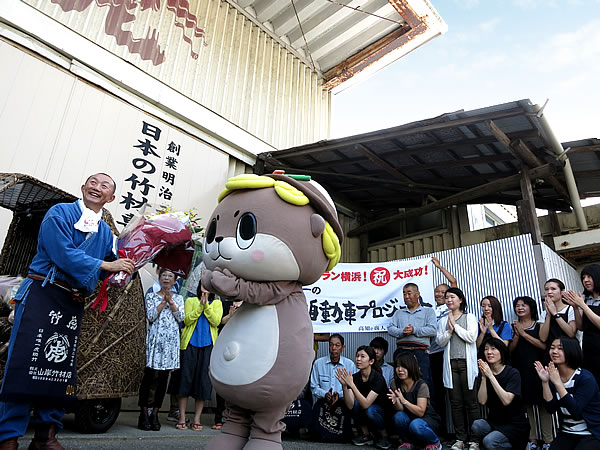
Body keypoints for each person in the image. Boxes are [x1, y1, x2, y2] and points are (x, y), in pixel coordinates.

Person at [0, 173, 134, 449]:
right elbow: (60, 252)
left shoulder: (106, 234)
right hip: (42, 293)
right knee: (24, 365)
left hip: (71, 303)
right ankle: (8, 436)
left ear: (111, 198)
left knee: (58, 369)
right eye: (93, 183)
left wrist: (135, 260)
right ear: (83, 188)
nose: (97, 188)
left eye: (104, 186)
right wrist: (106, 266)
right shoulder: (59, 212)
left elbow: (115, 268)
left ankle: (45, 435)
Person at [137, 268, 185, 431]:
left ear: (174, 281)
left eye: (170, 276)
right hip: (155, 340)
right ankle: (143, 413)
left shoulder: (179, 298)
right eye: (164, 275)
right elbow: (150, 316)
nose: (166, 278)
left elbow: (181, 318)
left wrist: (171, 301)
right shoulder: (151, 296)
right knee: (149, 376)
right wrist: (163, 301)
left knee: (164, 378)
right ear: (159, 278)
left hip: (170, 343)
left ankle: (155, 413)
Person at [535, 337, 600, 449]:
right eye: (552, 348)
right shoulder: (554, 376)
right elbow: (551, 408)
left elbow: (575, 410)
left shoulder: (585, 378)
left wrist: (558, 383)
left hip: (591, 433)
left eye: (560, 348)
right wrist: (545, 382)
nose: (554, 351)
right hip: (567, 433)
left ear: (571, 351)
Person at [436, 287, 479, 450]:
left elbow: (471, 337)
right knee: (455, 403)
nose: (448, 300)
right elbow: (440, 342)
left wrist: (456, 326)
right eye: (446, 297)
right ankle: (460, 438)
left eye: (452, 297)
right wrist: (449, 330)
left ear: (460, 300)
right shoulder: (442, 320)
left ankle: (474, 440)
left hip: (466, 364)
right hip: (451, 365)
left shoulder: (470, 317)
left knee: (471, 403)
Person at [176, 283, 222, 431]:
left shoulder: (217, 303)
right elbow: (187, 320)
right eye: (203, 287)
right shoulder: (190, 301)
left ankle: (197, 419)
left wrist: (206, 307)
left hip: (208, 345)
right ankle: (182, 417)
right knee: (185, 380)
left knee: (203, 382)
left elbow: (216, 322)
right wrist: (200, 307)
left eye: (209, 287)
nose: (206, 290)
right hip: (189, 344)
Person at [509, 296, 552, 450]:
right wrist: (517, 336)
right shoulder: (513, 326)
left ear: (531, 308)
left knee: (544, 405)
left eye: (524, 305)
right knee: (527, 406)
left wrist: (525, 334)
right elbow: (510, 351)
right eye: (517, 306)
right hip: (521, 370)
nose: (520, 308)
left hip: (538, 370)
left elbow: (543, 346)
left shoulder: (539, 325)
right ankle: (532, 439)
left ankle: (548, 441)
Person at [472, 338, 529, 449]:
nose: (489, 352)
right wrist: (484, 378)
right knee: (477, 425)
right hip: (495, 421)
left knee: (489, 441)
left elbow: (506, 400)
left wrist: (491, 376)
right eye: (486, 349)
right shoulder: (485, 374)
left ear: (501, 352)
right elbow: (482, 401)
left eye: (493, 349)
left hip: (514, 424)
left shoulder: (512, 373)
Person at [336, 346, 391, 449]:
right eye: (357, 356)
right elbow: (350, 405)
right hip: (366, 410)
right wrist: (344, 386)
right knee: (357, 405)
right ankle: (366, 435)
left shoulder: (378, 378)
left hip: (383, 412)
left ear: (371, 361)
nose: (358, 359)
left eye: (362, 356)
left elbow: (366, 404)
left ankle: (385, 436)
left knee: (370, 409)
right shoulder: (355, 377)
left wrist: (352, 386)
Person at [388, 283, 437, 395]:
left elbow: (433, 330)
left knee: (424, 381)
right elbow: (390, 329)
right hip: (402, 351)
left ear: (417, 294)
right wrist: (402, 332)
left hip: (420, 351)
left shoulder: (428, 312)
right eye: (404, 294)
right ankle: (402, 408)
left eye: (409, 293)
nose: (406, 296)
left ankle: (426, 410)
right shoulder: (398, 313)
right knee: (400, 382)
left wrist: (414, 330)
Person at [388, 352, 442, 450]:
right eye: (398, 366)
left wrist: (404, 401)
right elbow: (400, 409)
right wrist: (396, 401)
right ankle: (408, 442)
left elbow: (420, 412)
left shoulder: (421, 385)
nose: (400, 370)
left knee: (416, 425)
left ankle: (435, 442)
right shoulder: (394, 384)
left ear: (411, 367)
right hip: (408, 417)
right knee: (398, 416)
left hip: (426, 419)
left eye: (404, 366)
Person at [309, 333, 356, 443]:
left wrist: (338, 394)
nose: (334, 348)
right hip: (324, 400)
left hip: (342, 402)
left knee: (344, 430)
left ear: (343, 348)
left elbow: (353, 388)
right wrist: (325, 394)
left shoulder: (349, 365)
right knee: (316, 427)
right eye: (331, 345)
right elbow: (314, 387)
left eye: (337, 345)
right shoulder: (318, 363)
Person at [429, 257, 458, 433]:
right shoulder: (430, 310)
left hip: (448, 353)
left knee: (453, 394)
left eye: (443, 292)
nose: (439, 294)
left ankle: (456, 431)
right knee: (437, 393)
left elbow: (453, 282)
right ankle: (440, 430)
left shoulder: (451, 307)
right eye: (437, 292)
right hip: (432, 354)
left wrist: (439, 267)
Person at [564, 264, 600, 387]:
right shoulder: (585, 298)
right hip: (589, 348)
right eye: (583, 277)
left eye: (589, 276)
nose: (586, 280)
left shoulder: (584, 302)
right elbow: (581, 327)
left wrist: (583, 306)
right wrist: (575, 307)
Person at [212, 299, 242, 431]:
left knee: (238, 384)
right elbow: (219, 322)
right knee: (223, 382)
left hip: (242, 347)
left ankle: (236, 420)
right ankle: (219, 417)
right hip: (225, 346)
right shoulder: (224, 303)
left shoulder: (249, 304)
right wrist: (230, 315)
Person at [539, 279, 577, 359]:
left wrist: (555, 314)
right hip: (551, 353)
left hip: (568, 352)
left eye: (553, 289)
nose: (549, 292)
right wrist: (549, 315)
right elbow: (542, 338)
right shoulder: (544, 313)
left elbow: (571, 333)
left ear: (562, 292)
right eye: (546, 289)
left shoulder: (570, 309)